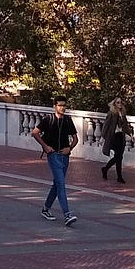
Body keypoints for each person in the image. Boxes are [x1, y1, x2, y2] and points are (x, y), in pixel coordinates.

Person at [32, 95, 79, 226]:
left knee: (57, 184)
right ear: (54, 106)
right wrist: (45, 147)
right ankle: (67, 214)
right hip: (53, 155)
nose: (62, 108)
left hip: (65, 156)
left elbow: (76, 138)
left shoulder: (68, 120)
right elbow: (35, 132)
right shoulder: (48, 119)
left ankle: (46, 209)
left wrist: (69, 148)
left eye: (64, 105)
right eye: (60, 105)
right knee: (61, 184)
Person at [99, 97, 131, 184]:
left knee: (119, 157)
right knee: (118, 156)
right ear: (114, 104)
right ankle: (119, 177)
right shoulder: (111, 113)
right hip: (113, 137)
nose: (119, 104)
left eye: (120, 102)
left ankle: (105, 169)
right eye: (117, 103)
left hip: (121, 136)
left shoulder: (122, 113)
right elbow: (106, 125)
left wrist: (129, 133)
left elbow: (125, 125)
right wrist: (103, 137)